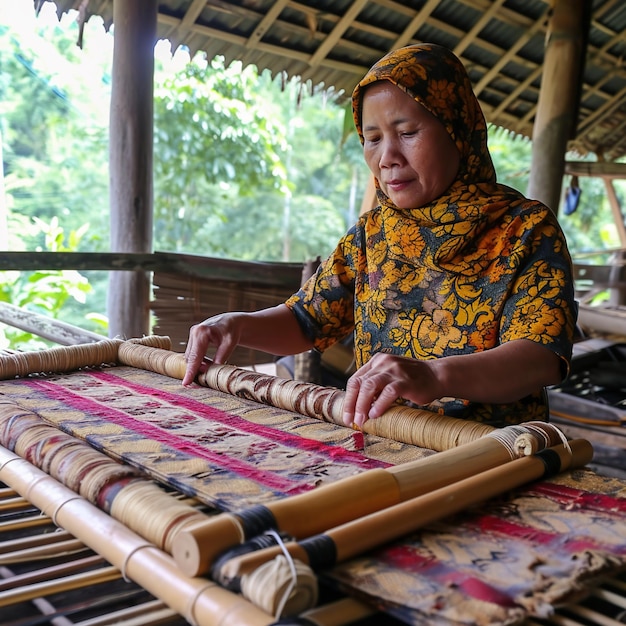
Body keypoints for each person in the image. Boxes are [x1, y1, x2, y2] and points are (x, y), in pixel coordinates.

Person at [183, 43, 576, 431]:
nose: (387, 156)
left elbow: (541, 356)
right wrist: (235, 324)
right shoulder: (372, 234)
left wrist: (435, 376)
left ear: (457, 130)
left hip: (492, 456)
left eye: (406, 132)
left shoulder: (524, 228)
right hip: (385, 441)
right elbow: (306, 320)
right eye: (372, 138)